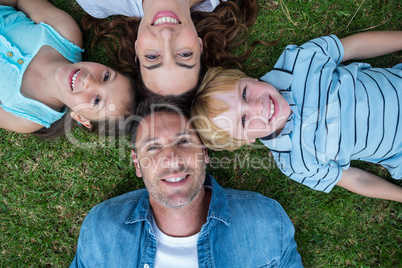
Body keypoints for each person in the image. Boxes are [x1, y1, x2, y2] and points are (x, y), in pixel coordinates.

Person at [70, 99, 303, 267]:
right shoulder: (101, 230)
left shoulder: (266, 222)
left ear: (205, 152)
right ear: (137, 163)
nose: (171, 158)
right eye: (153, 147)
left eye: (183, 141)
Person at [191, 31, 402, 202]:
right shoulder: (295, 163)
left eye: (245, 93)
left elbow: (355, 47)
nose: (258, 106)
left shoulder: (299, 62)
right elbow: (356, 179)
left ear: (248, 78)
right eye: (244, 120)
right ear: (246, 141)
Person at [0, 0, 136, 136]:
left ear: (81, 118)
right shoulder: (65, 34)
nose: (89, 81)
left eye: (96, 101)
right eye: (106, 77)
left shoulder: (27, 117)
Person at [76, 0, 267, 97]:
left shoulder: (95, 2)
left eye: (152, 56)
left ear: (136, 48)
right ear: (199, 45)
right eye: (184, 54)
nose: (166, 35)